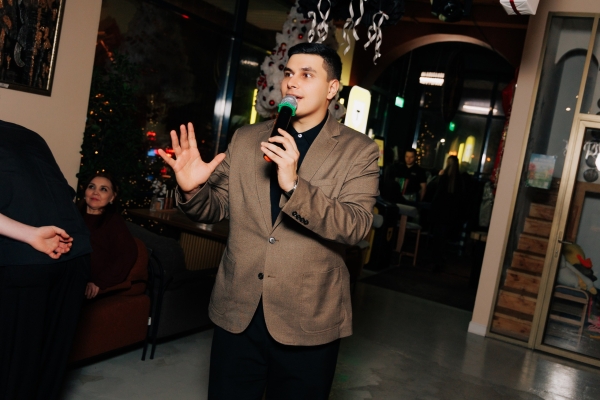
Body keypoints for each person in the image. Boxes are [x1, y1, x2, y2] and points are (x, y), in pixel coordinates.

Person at [159, 43, 380, 399]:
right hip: (238, 310)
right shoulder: (247, 138)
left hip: (308, 319)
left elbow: (355, 227)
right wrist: (193, 188)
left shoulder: (359, 150)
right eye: (289, 73)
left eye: (307, 74)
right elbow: (213, 208)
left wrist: (294, 184)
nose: (292, 82)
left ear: (332, 88)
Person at [0, 120, 92, 400]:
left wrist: (30, 234)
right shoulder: (27, 133)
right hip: (75, 250)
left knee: (12, 371)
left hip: (26, 258)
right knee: (48, 368)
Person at [78, 173, 138, 299]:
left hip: (86, 284)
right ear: (85, 192)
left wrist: (99, 282)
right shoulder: (72, 216)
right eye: (91, 187)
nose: (95, 192)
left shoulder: (114, 222)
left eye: (103, 189)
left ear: (112, 197)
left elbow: (127, 254)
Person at [429, 155, 465, 271]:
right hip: (450, 214)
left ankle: (434, 259)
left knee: (437, 237)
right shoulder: (459, 180)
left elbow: (436, 193)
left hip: (440, 211)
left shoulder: (444, 177)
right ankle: (441, 259)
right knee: (444, 237)